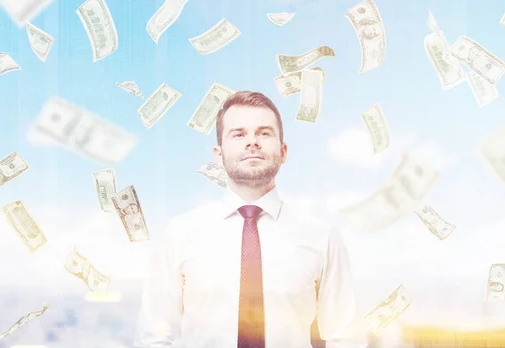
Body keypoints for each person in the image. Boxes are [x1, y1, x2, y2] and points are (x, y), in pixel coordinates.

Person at [134, 91, 367, 348]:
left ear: (284, 151)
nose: (252, 142)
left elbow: (346, 338)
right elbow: (154, 337)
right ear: (218, 154)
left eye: (264, 133)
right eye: (239, 134)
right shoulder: (180, 234)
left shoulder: (322, 237)